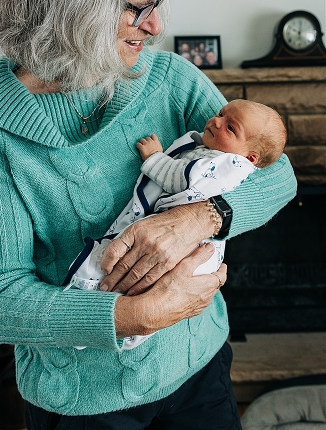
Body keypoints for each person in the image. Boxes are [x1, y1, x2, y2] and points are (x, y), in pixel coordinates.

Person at [0, 0, 296, 430]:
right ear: (70, 6)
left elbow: (279, 178)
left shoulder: (171, 82)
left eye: (160, 3)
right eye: (138, 8)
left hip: (199, 370)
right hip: (81, 404)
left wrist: (200, 218)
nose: (157, 26)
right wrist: (137, 314)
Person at [66, 99, 288, 350]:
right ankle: (104, 319)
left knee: (149, 276)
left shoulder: (228, 164)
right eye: (220, 113)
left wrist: (155, 158)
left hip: (196, 255)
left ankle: (117, 320)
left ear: (250, 157)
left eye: (230, 128)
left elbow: (181, 181)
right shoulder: (215, 149)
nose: (216, 121)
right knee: (138, 273)